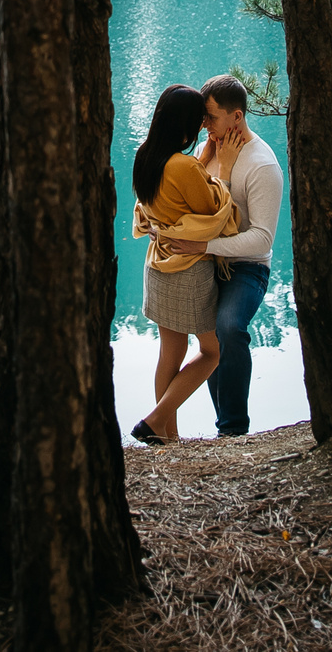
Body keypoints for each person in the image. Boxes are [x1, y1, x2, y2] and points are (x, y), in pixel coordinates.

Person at [156, 75, 282, 438]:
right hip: (206, 263)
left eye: (209, 117)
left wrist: (204, 246)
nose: (203, 125)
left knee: (228, 328)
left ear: (236, 117)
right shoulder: (206, 152)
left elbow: (261, 240)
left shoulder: (262, 165)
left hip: (246, 267)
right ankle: (179, 428)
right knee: (203, 340)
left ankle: (233, 430)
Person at [126, 84, 238, 444]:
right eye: (200, 120)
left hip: (158, 267)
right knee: (212, 352)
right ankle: (155, 420)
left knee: (170, 354)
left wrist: (202, 161)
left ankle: (168, 437)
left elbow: (174, 195)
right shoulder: (184, 166)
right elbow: (213, 210)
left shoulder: (147, 156)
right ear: (187, 126)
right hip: (187, 271)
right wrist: (226, 168)